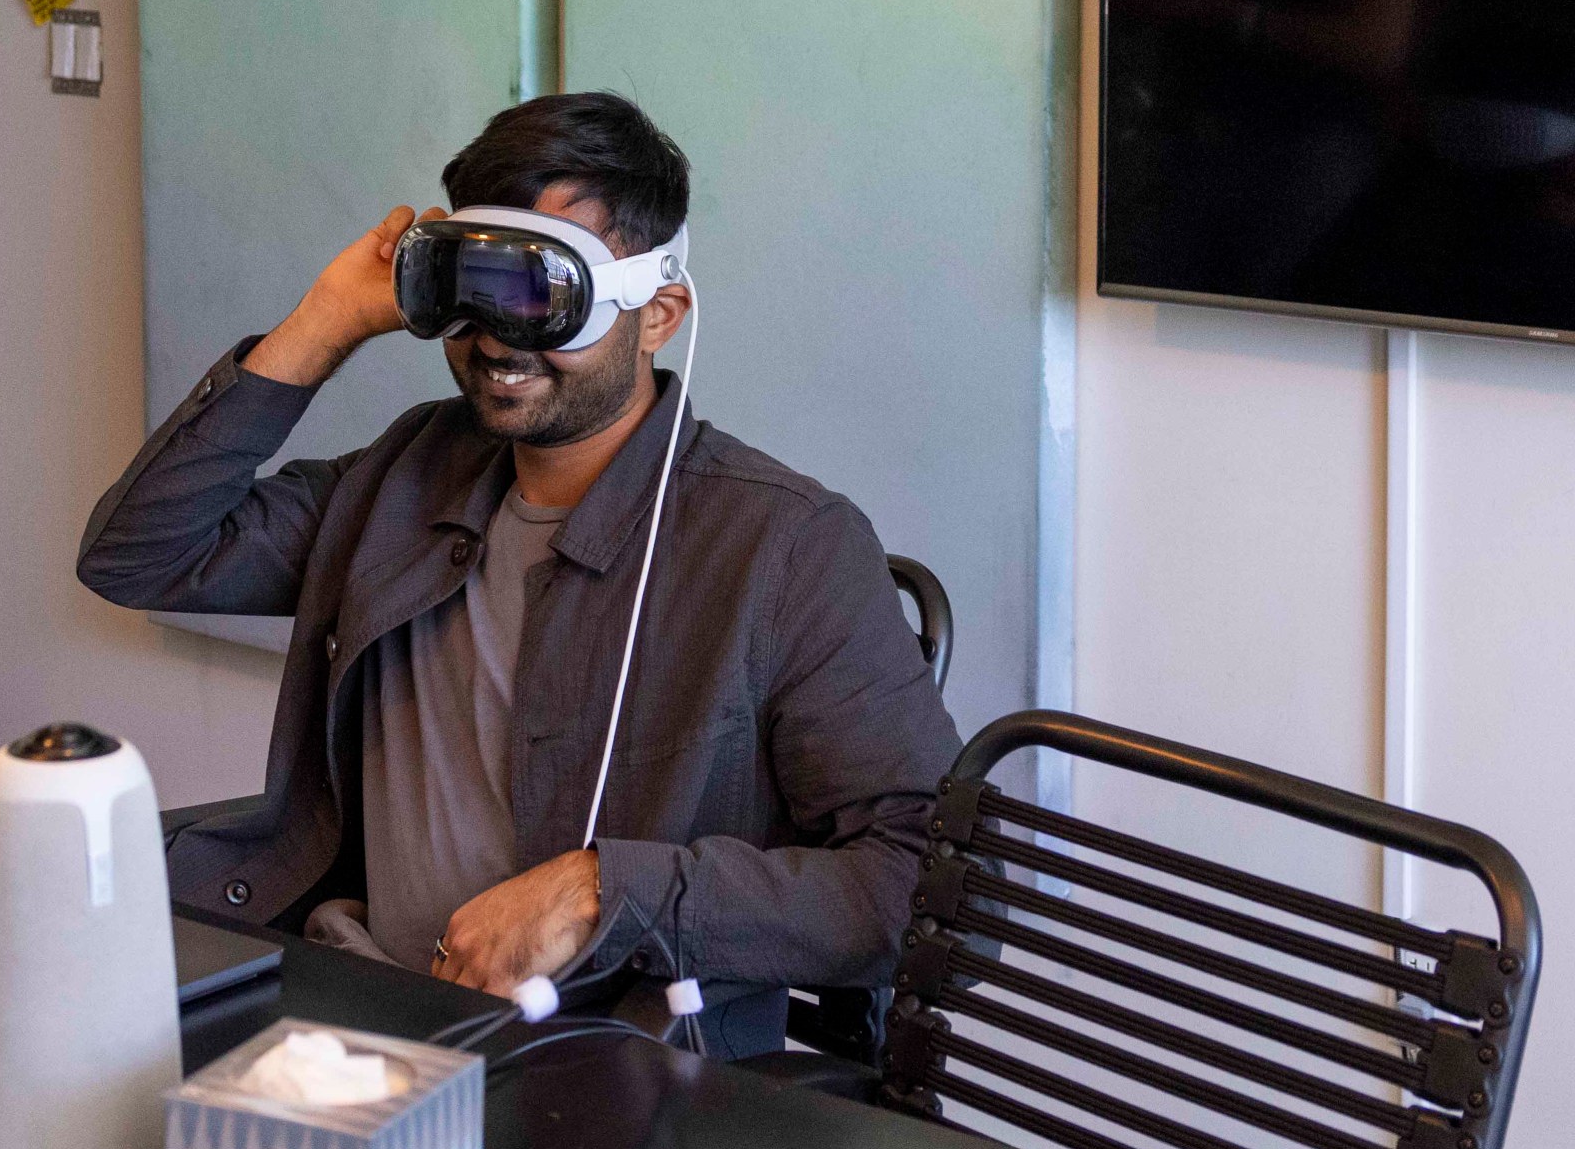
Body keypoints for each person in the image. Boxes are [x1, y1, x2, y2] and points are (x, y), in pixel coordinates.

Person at [76, 91, 959, 1057]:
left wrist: (602, 888)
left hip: (592, 1060)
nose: (497, 336)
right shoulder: (408, 471)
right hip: (354, 1004)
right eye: (467, 286)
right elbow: (141, 553)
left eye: (543, 292)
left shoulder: (787, 547)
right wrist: (325, 320)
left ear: (657, 313)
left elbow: (932, 892)